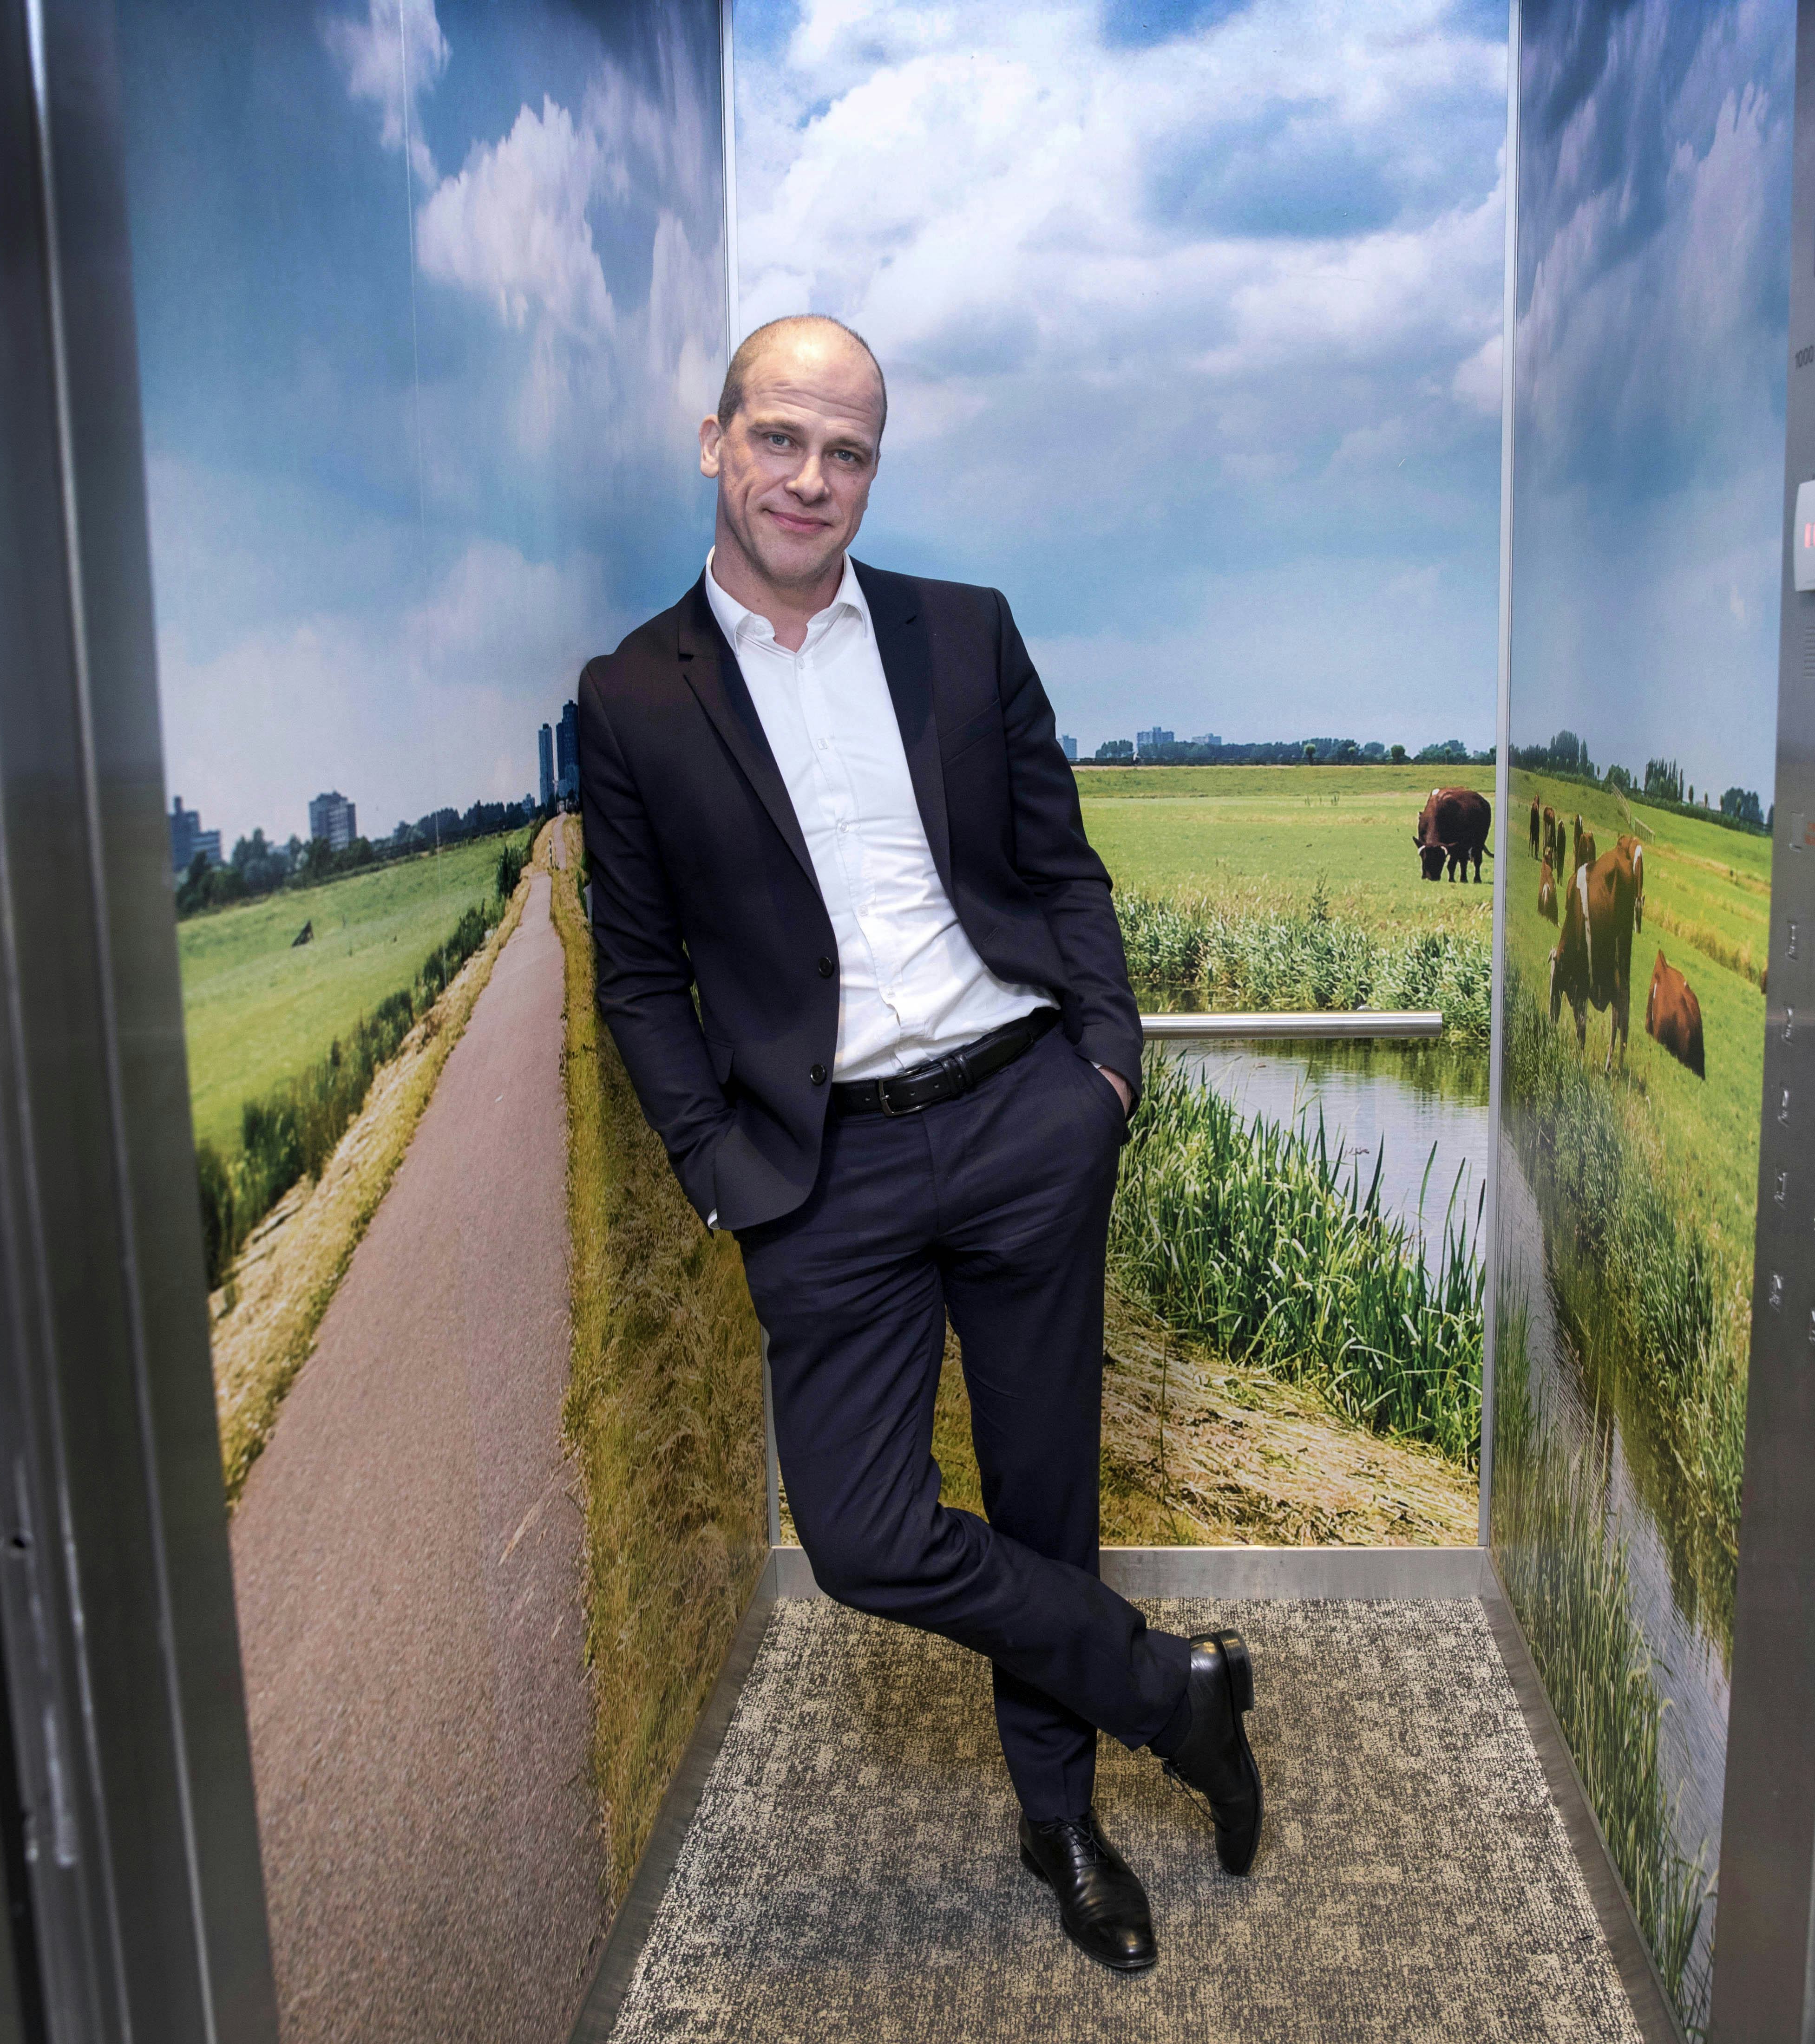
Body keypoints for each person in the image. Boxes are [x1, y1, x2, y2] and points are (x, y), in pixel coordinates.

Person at [572, 315, 1262, 1976]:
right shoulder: (631, 695)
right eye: (783, 439)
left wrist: (1103, 1065)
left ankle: (1061, 1818)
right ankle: (1177, 1687)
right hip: (821, 1175)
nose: (813, 479)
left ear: (877, 467)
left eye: (850, 451)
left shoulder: (966, 633)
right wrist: (713, 1168)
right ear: (718, 440)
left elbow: (1061, 864)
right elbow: (642, 977)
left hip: (1026, 1113)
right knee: (871, 1532)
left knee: (1040, 1495)